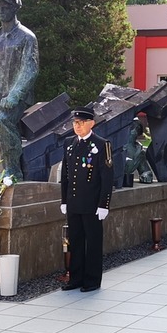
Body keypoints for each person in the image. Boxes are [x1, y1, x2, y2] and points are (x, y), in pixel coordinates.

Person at [0, 0, 39, 180]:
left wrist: (15, 95)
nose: (0, 10)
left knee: (3, 122)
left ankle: (14, 170)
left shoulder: (26, 37)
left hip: (15, 96)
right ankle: (8, 168)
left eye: (5, 7)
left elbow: (30, 69)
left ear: (14, 8)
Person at [60, 108, 114, 291]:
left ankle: (91, 280)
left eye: (81, 122)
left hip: (92, 204)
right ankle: (76, 279)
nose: (77, 126)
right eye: (75, 123)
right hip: (74, 203)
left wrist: (104, 204)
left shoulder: (101, 144)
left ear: (92, 123)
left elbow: (107, 178)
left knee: (92, 243)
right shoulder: (69, 143)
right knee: (75, 241)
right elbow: (65, 175)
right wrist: (64, 201)